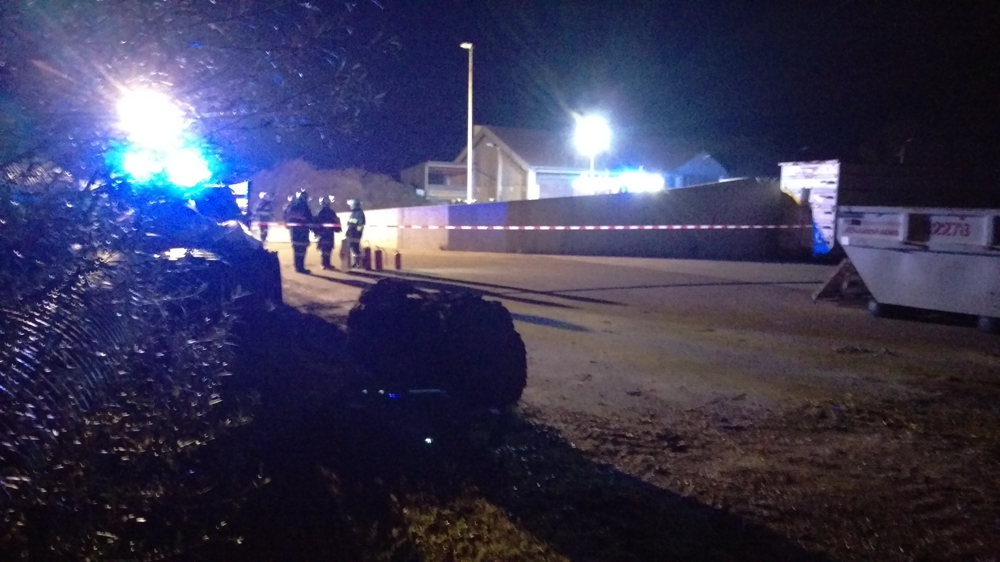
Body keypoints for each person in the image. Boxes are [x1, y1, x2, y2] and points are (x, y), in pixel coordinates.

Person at [284, 190, 314, 273]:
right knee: (302, 250)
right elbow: (309, 219)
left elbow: (287, 218)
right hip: (302, 232)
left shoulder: (292, 206)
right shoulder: (305, 207)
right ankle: (300, 267)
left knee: (297, 250)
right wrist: (314, 226)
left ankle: (298, 267)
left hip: (294, 232)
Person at [313, 195, 342, 270]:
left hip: (326, 234)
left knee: (327, 249)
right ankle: (324, 264)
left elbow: (335, 220)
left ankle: (327, 264)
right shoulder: (324, 212)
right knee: (325, 249)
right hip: (325, 234)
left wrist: (337, 227)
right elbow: (316, 223)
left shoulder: (324, 212)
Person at [345, 198, 366, 268]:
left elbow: (361, 224)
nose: (350, 206)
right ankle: (357, 262)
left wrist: (358, 232)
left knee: (355, 248)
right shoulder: (353, 213)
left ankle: (360, 262)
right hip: (351, 232)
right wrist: (348, 231)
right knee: (353, 248)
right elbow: (351, 223)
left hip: (355, 233)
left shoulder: (359, 213)